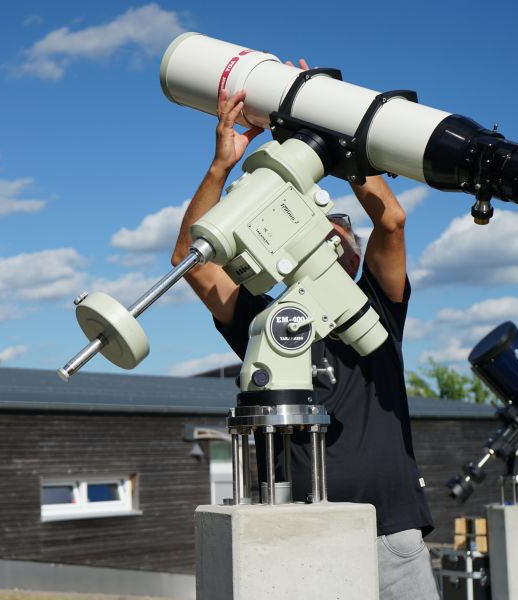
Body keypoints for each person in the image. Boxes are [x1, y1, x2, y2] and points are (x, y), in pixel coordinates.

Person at [171, 81, 439, 599]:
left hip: (391, 538)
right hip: (293, 540)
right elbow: (191, 260)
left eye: (340, 236)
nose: (327, 240)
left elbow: (392, 220)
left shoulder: (378, 310)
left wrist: (337, 133)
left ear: (357, 259)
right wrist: (220, 167)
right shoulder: (267, 324)